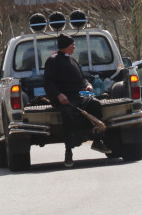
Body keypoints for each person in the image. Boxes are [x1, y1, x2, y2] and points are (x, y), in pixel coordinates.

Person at [42, 34, 106, 167]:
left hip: (79, 96)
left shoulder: (72, 60)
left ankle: (97, 141)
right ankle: (68, 152)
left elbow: (82, 78)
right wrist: (59, 95)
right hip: (65, 99)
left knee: (95, 105)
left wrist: (88, 85)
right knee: (68, 116)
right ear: (66, 46)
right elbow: (48, 82)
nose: (74, 47)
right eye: (72, 44)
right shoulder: (53, 61)